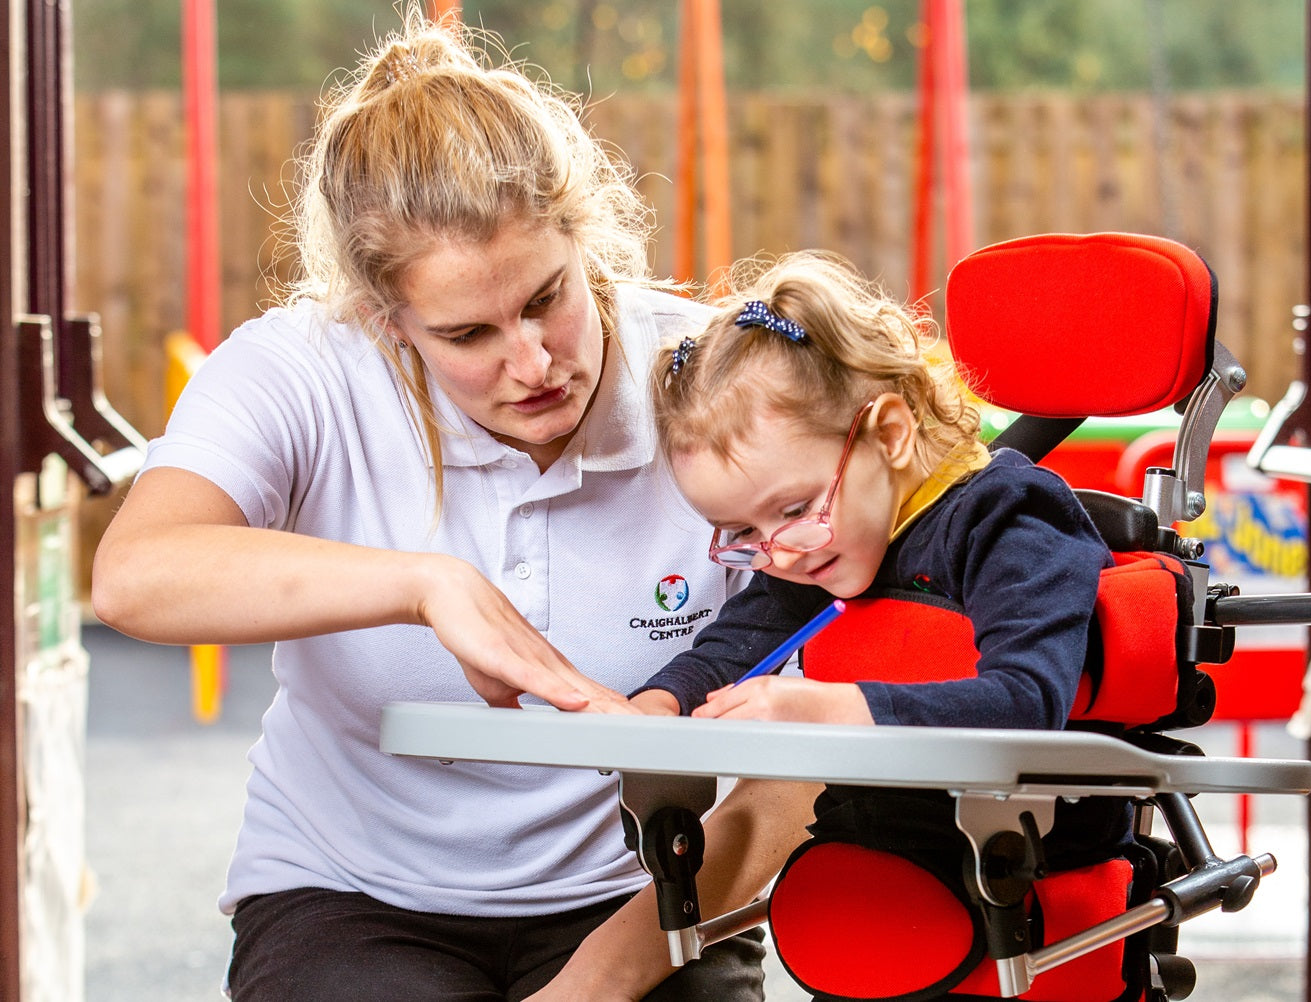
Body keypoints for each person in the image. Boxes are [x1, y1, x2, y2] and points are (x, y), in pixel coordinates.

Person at [89, 9, 815, 1001]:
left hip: (650, 888)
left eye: (547, 299)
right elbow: (135, 578)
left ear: (586, 240)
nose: (533, 362)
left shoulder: (714, 385)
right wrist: (425, 585)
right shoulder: (301, 370)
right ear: (385, 321)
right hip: (351, 896)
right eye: (469, 333)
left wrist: (597, 983)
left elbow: (804, 766)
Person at [629, 250, 1113, 728]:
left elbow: (1027, 701)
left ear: (889, 435)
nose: (779, 557)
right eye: (742, 532)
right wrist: (660, 701)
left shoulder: (1009, 519)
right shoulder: (814, 551)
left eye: (796, 507)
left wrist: (833, 708)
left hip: (1009, 807)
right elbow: (730, 652)